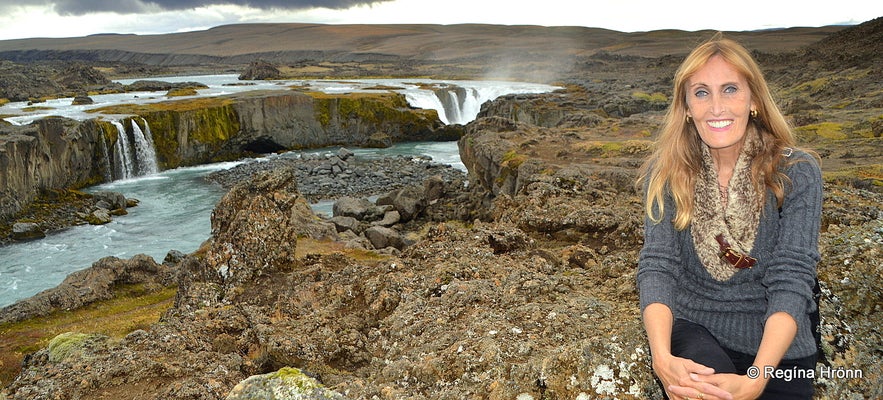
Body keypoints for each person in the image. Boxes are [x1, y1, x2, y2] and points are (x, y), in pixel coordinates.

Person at [636, 33, 822, 400]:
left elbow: (793, 278)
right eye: (702, 92)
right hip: (696, 326)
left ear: (753, 99)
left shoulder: (797, 171)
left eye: (730, 89)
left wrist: (755, 379)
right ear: (687, 106)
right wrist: (662, 358)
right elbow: (658, 265)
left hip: (778, 347)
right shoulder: (668, 171)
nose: (716, 106)